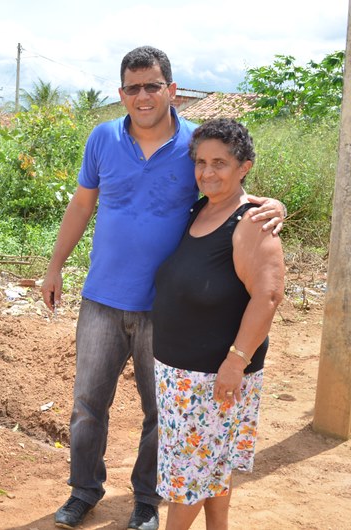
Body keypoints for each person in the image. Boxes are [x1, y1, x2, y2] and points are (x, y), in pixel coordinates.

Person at [40, 46, 285, 530]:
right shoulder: (102, 138)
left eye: (153, 85)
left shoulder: (197, 144)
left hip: (166, 310)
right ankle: (84, 491)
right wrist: (55, 267)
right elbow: (82, 205)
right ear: (121, 94)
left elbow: (229, 191)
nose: (143, 96)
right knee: (88, 404)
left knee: (162, 415)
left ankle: (147, 500)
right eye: (133, 87)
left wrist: (273, 204)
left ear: (171, 90)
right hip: (102, 299)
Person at [151, 119, 284, 529]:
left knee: (190, 477)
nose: (207, 172)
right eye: (201, 162)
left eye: (220, 163)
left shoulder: (252, 223)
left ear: (244, 166)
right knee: (210, 463)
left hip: (215, 376)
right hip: (181, 374)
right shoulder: (201, 208)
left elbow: (268, 296)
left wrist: (235, 361)